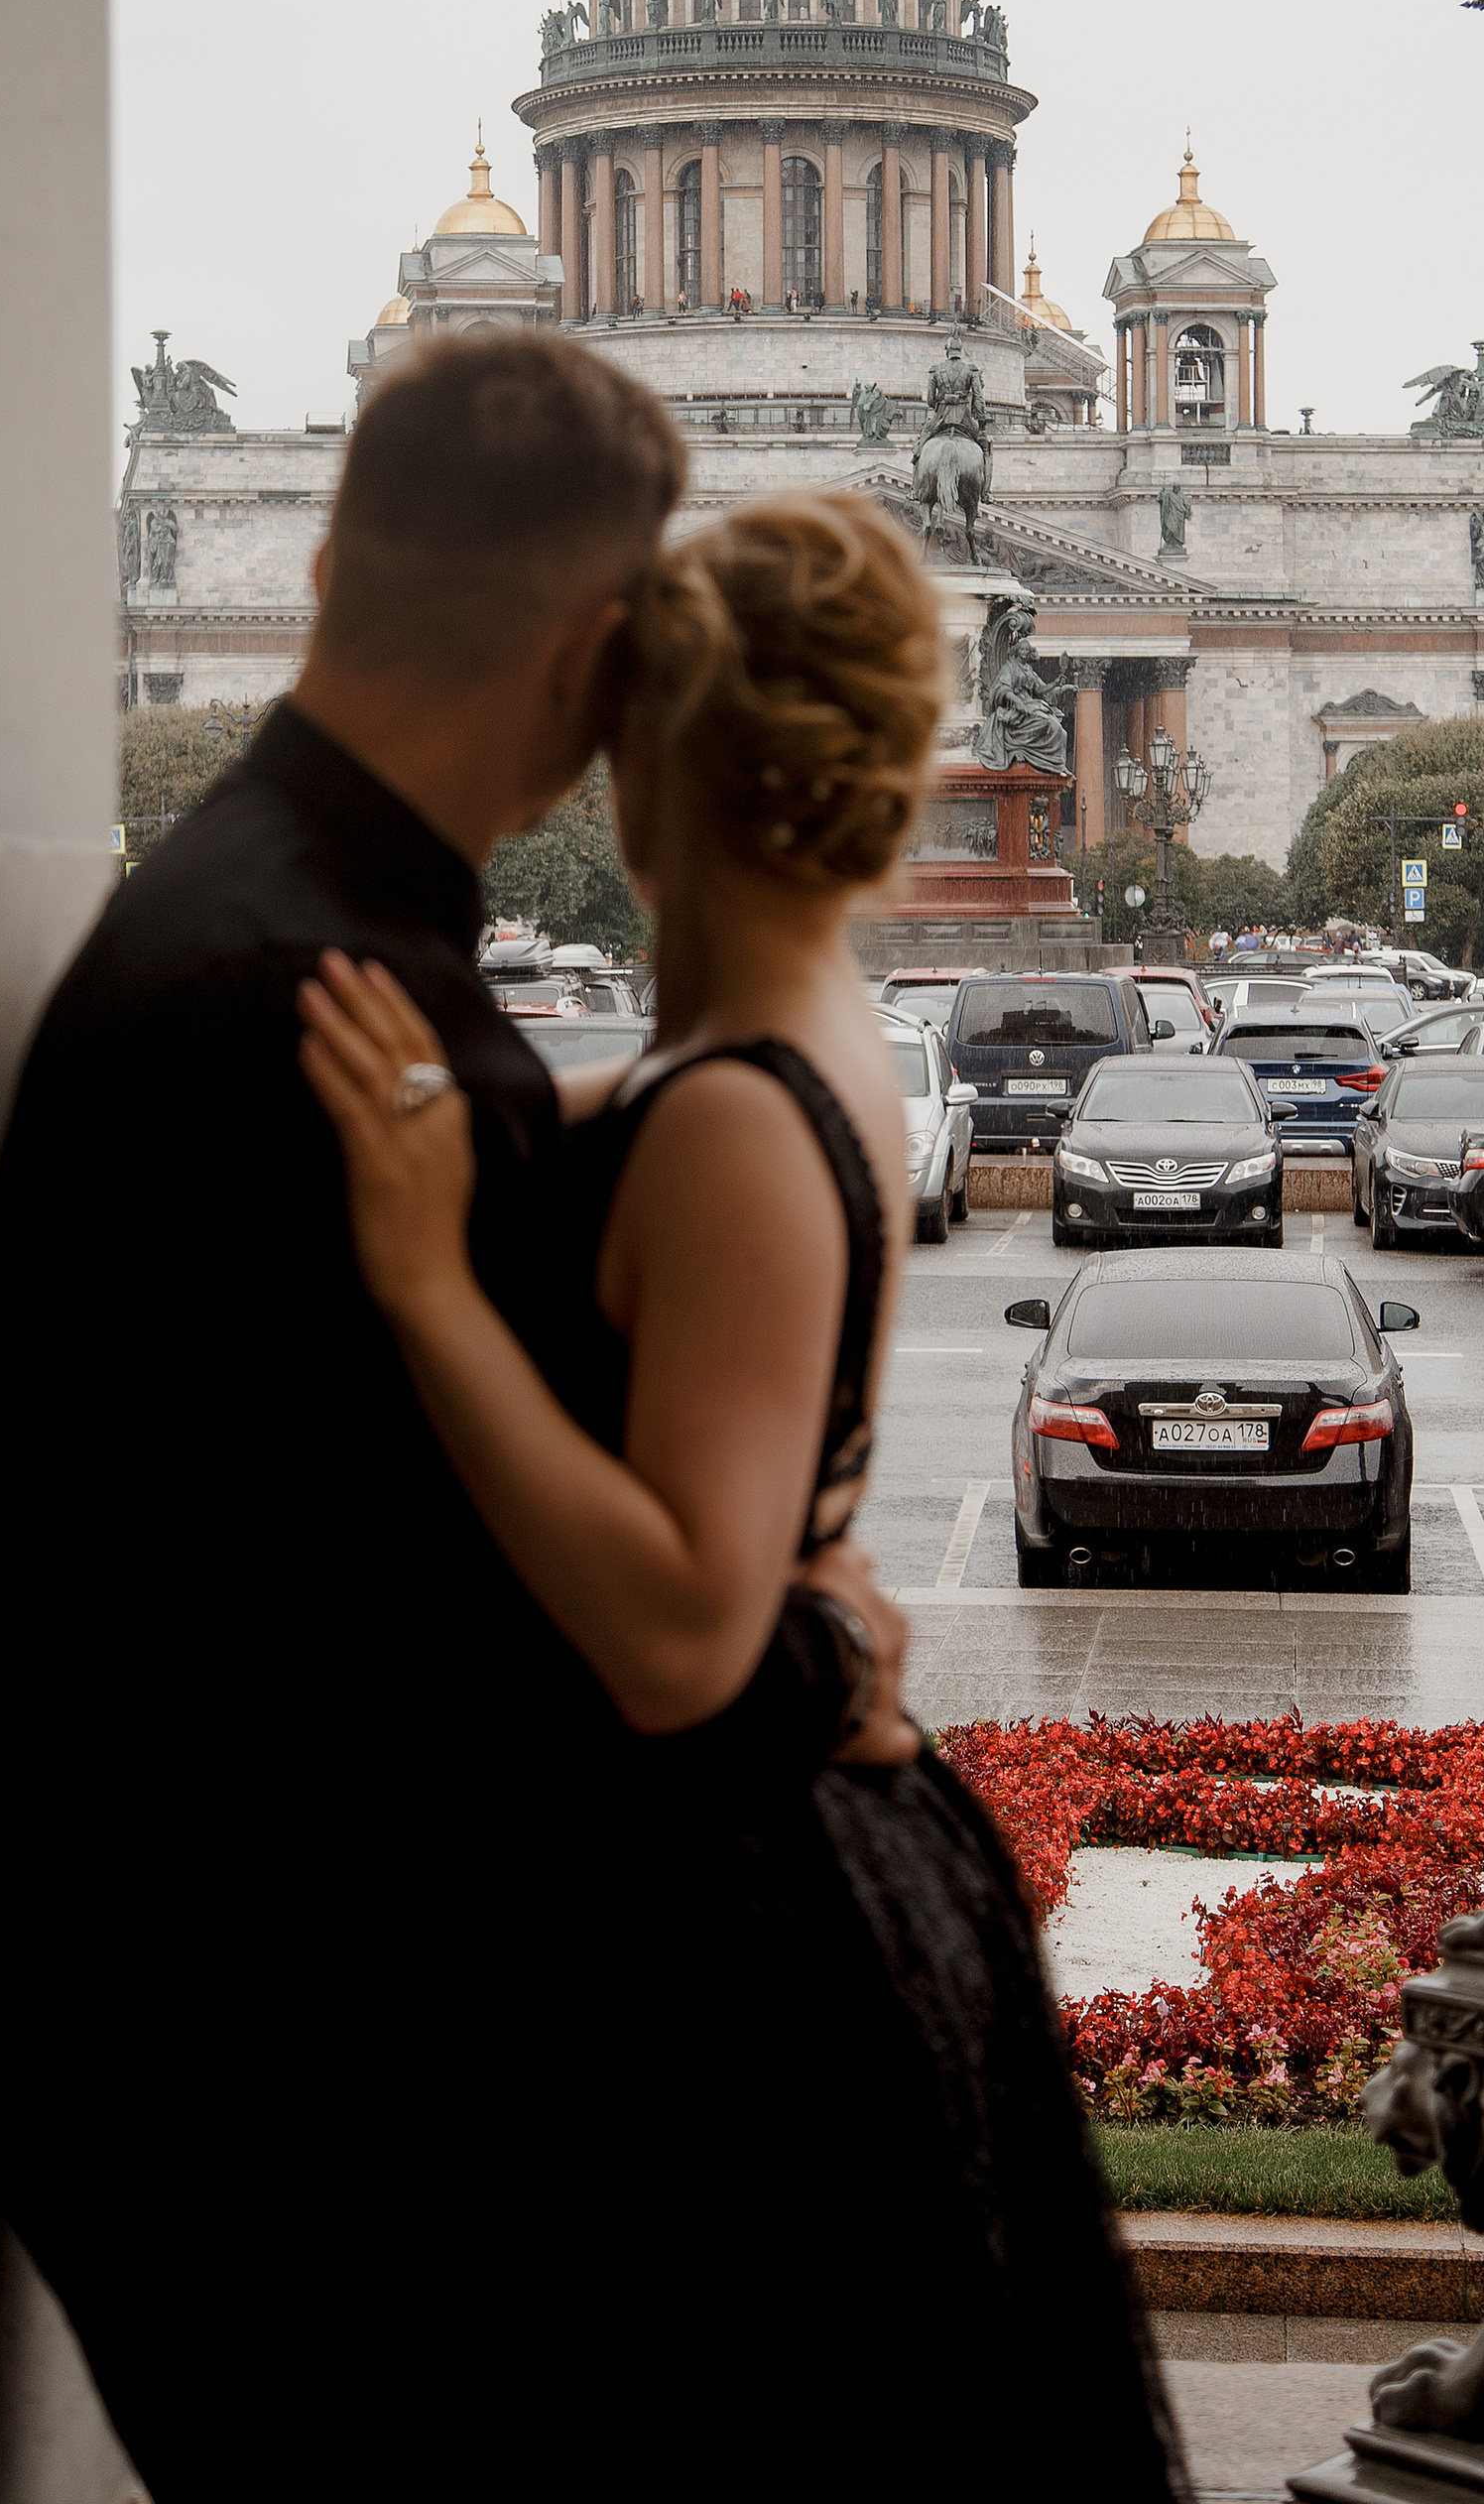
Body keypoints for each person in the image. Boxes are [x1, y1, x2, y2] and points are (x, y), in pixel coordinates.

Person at [0, 335, 907, 2495]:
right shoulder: (339, 1013)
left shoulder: (266, 924)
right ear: (589, 649)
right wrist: (817, 1642)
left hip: (217, 2045)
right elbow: (499, 1647)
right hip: (300, 2096)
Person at [298, 494, 1188, 2497]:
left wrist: (426, 1280)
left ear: (654, 768)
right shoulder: (794, 1048)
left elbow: (686, 1630)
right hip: (809, 1864)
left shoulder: (729, 1109)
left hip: (714, 1924)